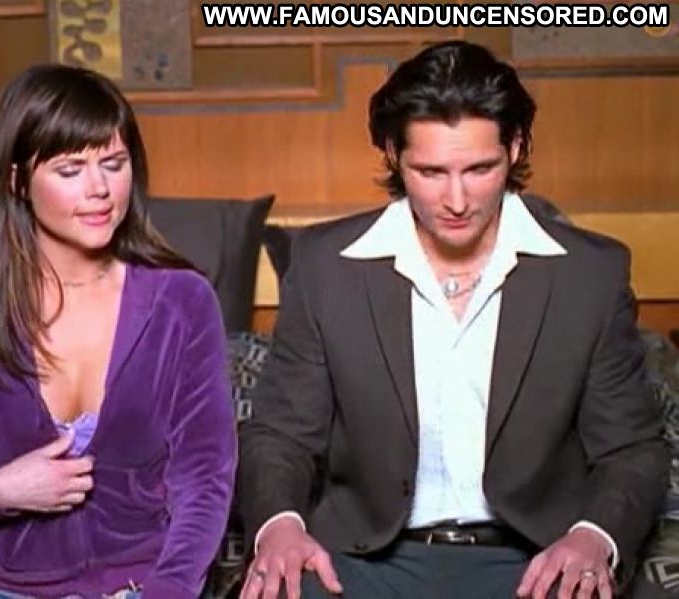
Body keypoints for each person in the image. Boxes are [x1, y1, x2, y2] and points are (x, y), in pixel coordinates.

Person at [237, 41, 668, 599]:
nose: (458, 200)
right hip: (361, 558)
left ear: (515, 147)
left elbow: (630, 449)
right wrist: (279, 526)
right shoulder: (326, 266)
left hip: (534, 559)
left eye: (480, 169)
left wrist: (594, 536)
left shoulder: (590, 274)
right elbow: (281, 434)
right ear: (393, 153)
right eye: (431, 171)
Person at [0, 64, 235, 598]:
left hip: (144, 583)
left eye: (113, 164)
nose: (100, 189)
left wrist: (169, 591)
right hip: (1, 588)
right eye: (70, 170)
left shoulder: (182, 302)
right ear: (18, 181)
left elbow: (205, 478)